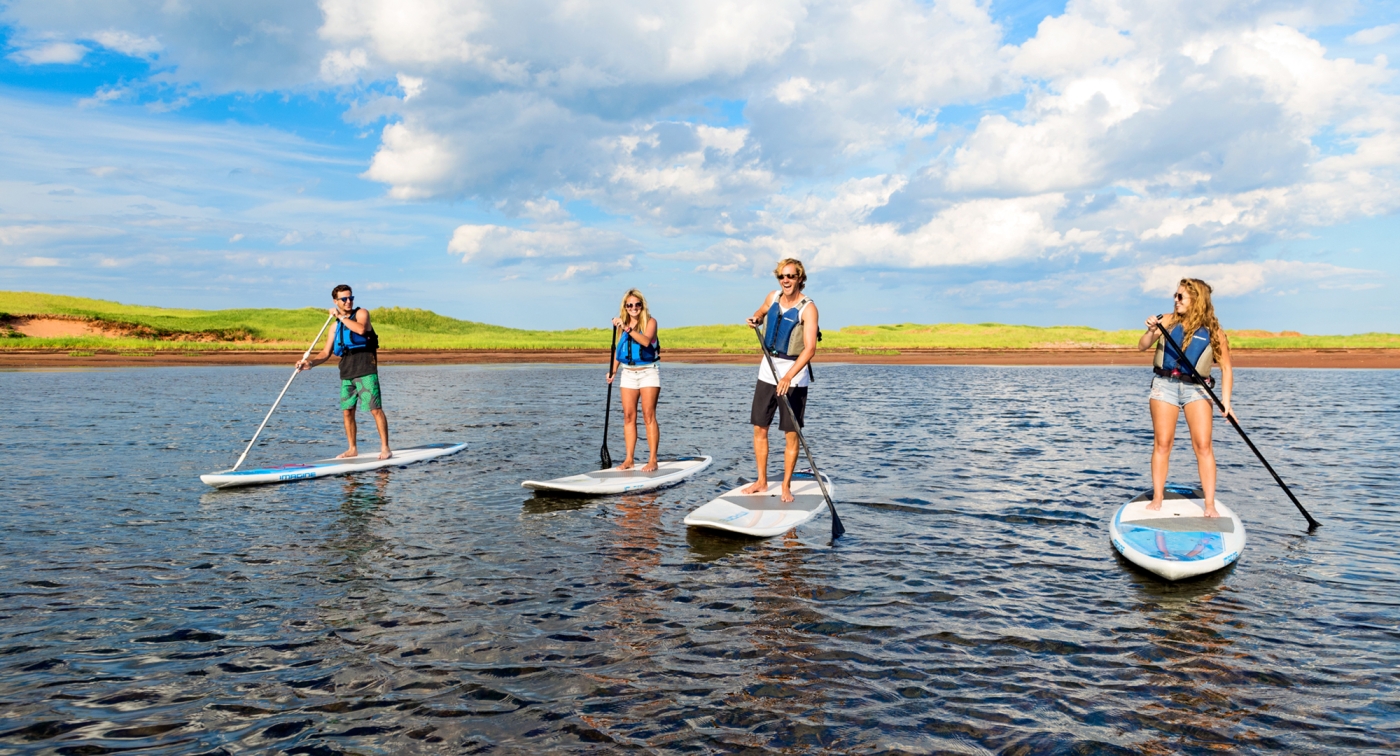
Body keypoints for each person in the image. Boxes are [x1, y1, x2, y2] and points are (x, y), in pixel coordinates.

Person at [1138, 278, 1234, 517]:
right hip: (1165, 386)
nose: (1175, 300)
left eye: (1181, 297)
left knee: (1203, 445)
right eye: (1175, 295)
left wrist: (1226, 402)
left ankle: (1209, 505)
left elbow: (1226, 368)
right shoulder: (1166, 321)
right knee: (1163, 443)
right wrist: (1151, 331)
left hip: (1197, 390)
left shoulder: (1215, 332)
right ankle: (1158, 497)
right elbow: (1142, 346)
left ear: (1196, 300)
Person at [743, 258, 819, 503]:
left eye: (791, 276)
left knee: (790, 433)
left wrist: (788, 376)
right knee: (759, 427)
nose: (786, 280)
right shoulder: (773, 297)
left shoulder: (808, 308)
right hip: (767, 371)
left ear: (800, 278)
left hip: (794, 377)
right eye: (782, 276)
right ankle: (762, 481)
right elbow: (761, 311)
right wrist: (755, 318)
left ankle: (786, 486)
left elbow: (809, 349)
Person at [297, 284, 392, 460]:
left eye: (351, 298)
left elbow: (361, 330)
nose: (349, 301)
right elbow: (325, 353)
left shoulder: (361, 313)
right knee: (347, 411)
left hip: (365, 368)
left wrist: (340, 316)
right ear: (336, 301)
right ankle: (352, 449)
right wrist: (310, 363)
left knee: (375, 409)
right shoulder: (334, 327)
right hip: (347, 371)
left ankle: (385, 448)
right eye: (344, 299)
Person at [606, 289, 661, 471]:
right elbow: (618, 350)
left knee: (648, 415)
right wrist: (613, 371)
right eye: (630, 305)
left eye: (637, 304)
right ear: (625, 307)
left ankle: (652, 459)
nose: (634, 308)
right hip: (628, 373)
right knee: (629, 416)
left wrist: (627, 328)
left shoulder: (650, 322)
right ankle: (629, 459)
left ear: (642, 306)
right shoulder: (622, 325)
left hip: (648, 372)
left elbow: (645, 342)